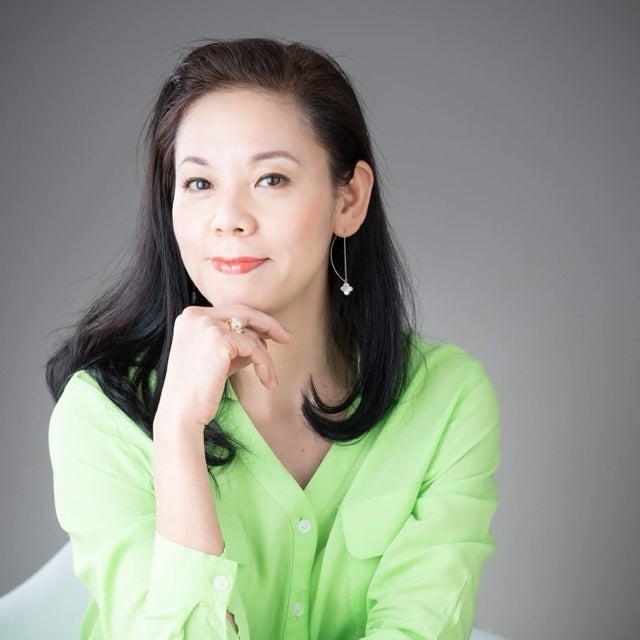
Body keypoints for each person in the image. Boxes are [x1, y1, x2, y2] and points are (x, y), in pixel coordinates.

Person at [46, 37, 500, 640]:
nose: (229, 218)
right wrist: (177, 432)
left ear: (349, 199)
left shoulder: (447, 397)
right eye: (199, 183)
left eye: (271, 178)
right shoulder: (102, 413)